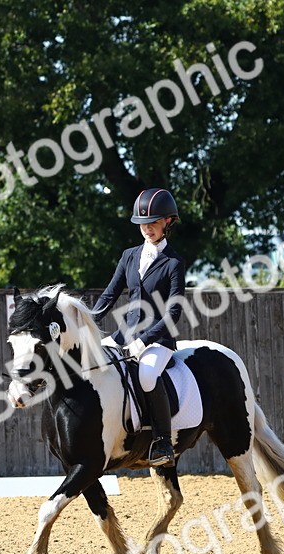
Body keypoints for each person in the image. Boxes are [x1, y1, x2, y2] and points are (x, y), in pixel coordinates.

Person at [92, 188, 187, 467]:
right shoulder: (129, 256)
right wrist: (87, 320)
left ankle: (163, 442)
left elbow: (174, 312)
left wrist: (145, 340)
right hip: (124, 334)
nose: (147, 229)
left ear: (167, 222)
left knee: (146, 376)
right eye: (143, 224)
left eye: (153, 223)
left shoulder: (174, 263)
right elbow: (110, 295)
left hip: (158, 339)